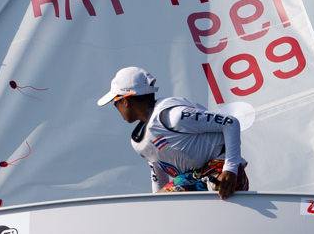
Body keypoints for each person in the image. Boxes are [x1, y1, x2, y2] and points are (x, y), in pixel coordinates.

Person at [97, 66, 248, 199]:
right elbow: (159, 180)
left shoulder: (173, 116)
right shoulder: (139, 143)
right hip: (196, 179)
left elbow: (230, 123)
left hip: (226, 176)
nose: (115, 107)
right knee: (161, 200)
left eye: (114, 102)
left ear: (125, 101)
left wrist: (231, 169)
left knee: (174, 190)